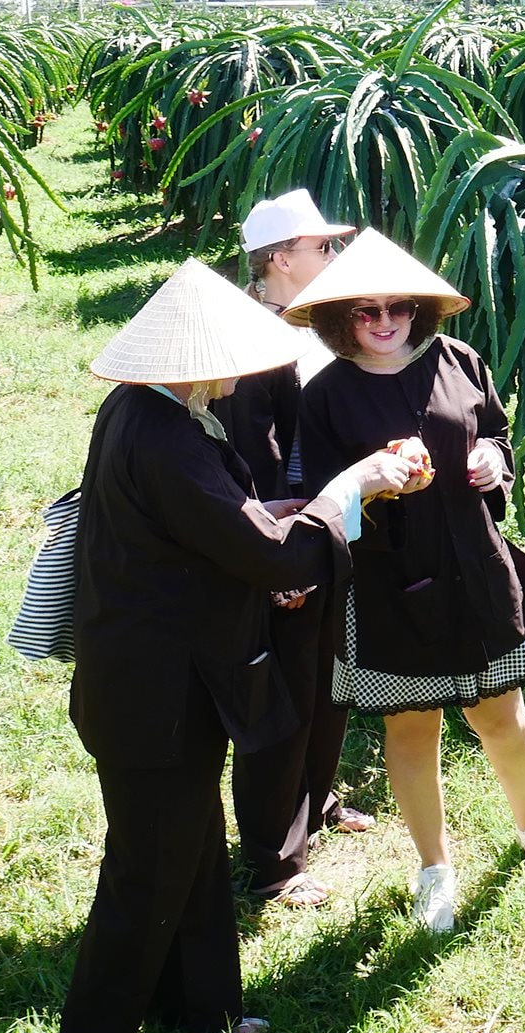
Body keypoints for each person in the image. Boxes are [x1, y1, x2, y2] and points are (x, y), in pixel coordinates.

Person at [55, 260, 425, 1033]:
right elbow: (277, 559)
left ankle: (200, 1010)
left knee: (187, 846)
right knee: (146, 870)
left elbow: (214, 527)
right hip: (155, 695)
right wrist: (349, 488)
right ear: (194, 359)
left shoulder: (156, 416)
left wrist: (276, 513)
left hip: (162, 680)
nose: (245, 374)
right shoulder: (164, 435)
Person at [288, 229, 525, 934]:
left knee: (500, 715)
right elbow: (318, 501)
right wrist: (367, 484)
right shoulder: (325, 395)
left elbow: (499, 437)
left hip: (474, 567)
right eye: (365, 311)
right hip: (388, 582)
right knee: (411, 727)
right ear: (339, 318)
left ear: (420, 309)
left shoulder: (460, 360)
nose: (385, 322)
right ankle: (434, 869)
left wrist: (490, 460)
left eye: (399, 308)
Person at [214, 190, 369, 911]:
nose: (333, 257)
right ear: (279, 258)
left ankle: (317, 798)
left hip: (329, 524)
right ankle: (275, 860)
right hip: (285, 535)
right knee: (281, 696)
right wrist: (273, 560)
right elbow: (254, 461)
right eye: (321, 247)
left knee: (326, 678)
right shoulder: (245, 337)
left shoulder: (310, 323)